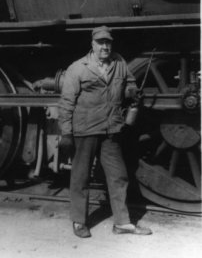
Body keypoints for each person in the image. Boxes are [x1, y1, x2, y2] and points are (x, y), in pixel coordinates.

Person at [59, 25, 152, 238]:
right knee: (81, 177)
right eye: (100, 42)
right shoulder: (78, 68)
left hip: (111, 130)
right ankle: (79, 221)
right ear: (92, 44)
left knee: (118, 176)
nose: (105, 46)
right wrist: (65, 133)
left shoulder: (119, 63)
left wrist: (132, 92)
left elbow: (129, 84)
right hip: (85, 130)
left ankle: (122, 222)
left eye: (108, 42)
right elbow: (66, 102)